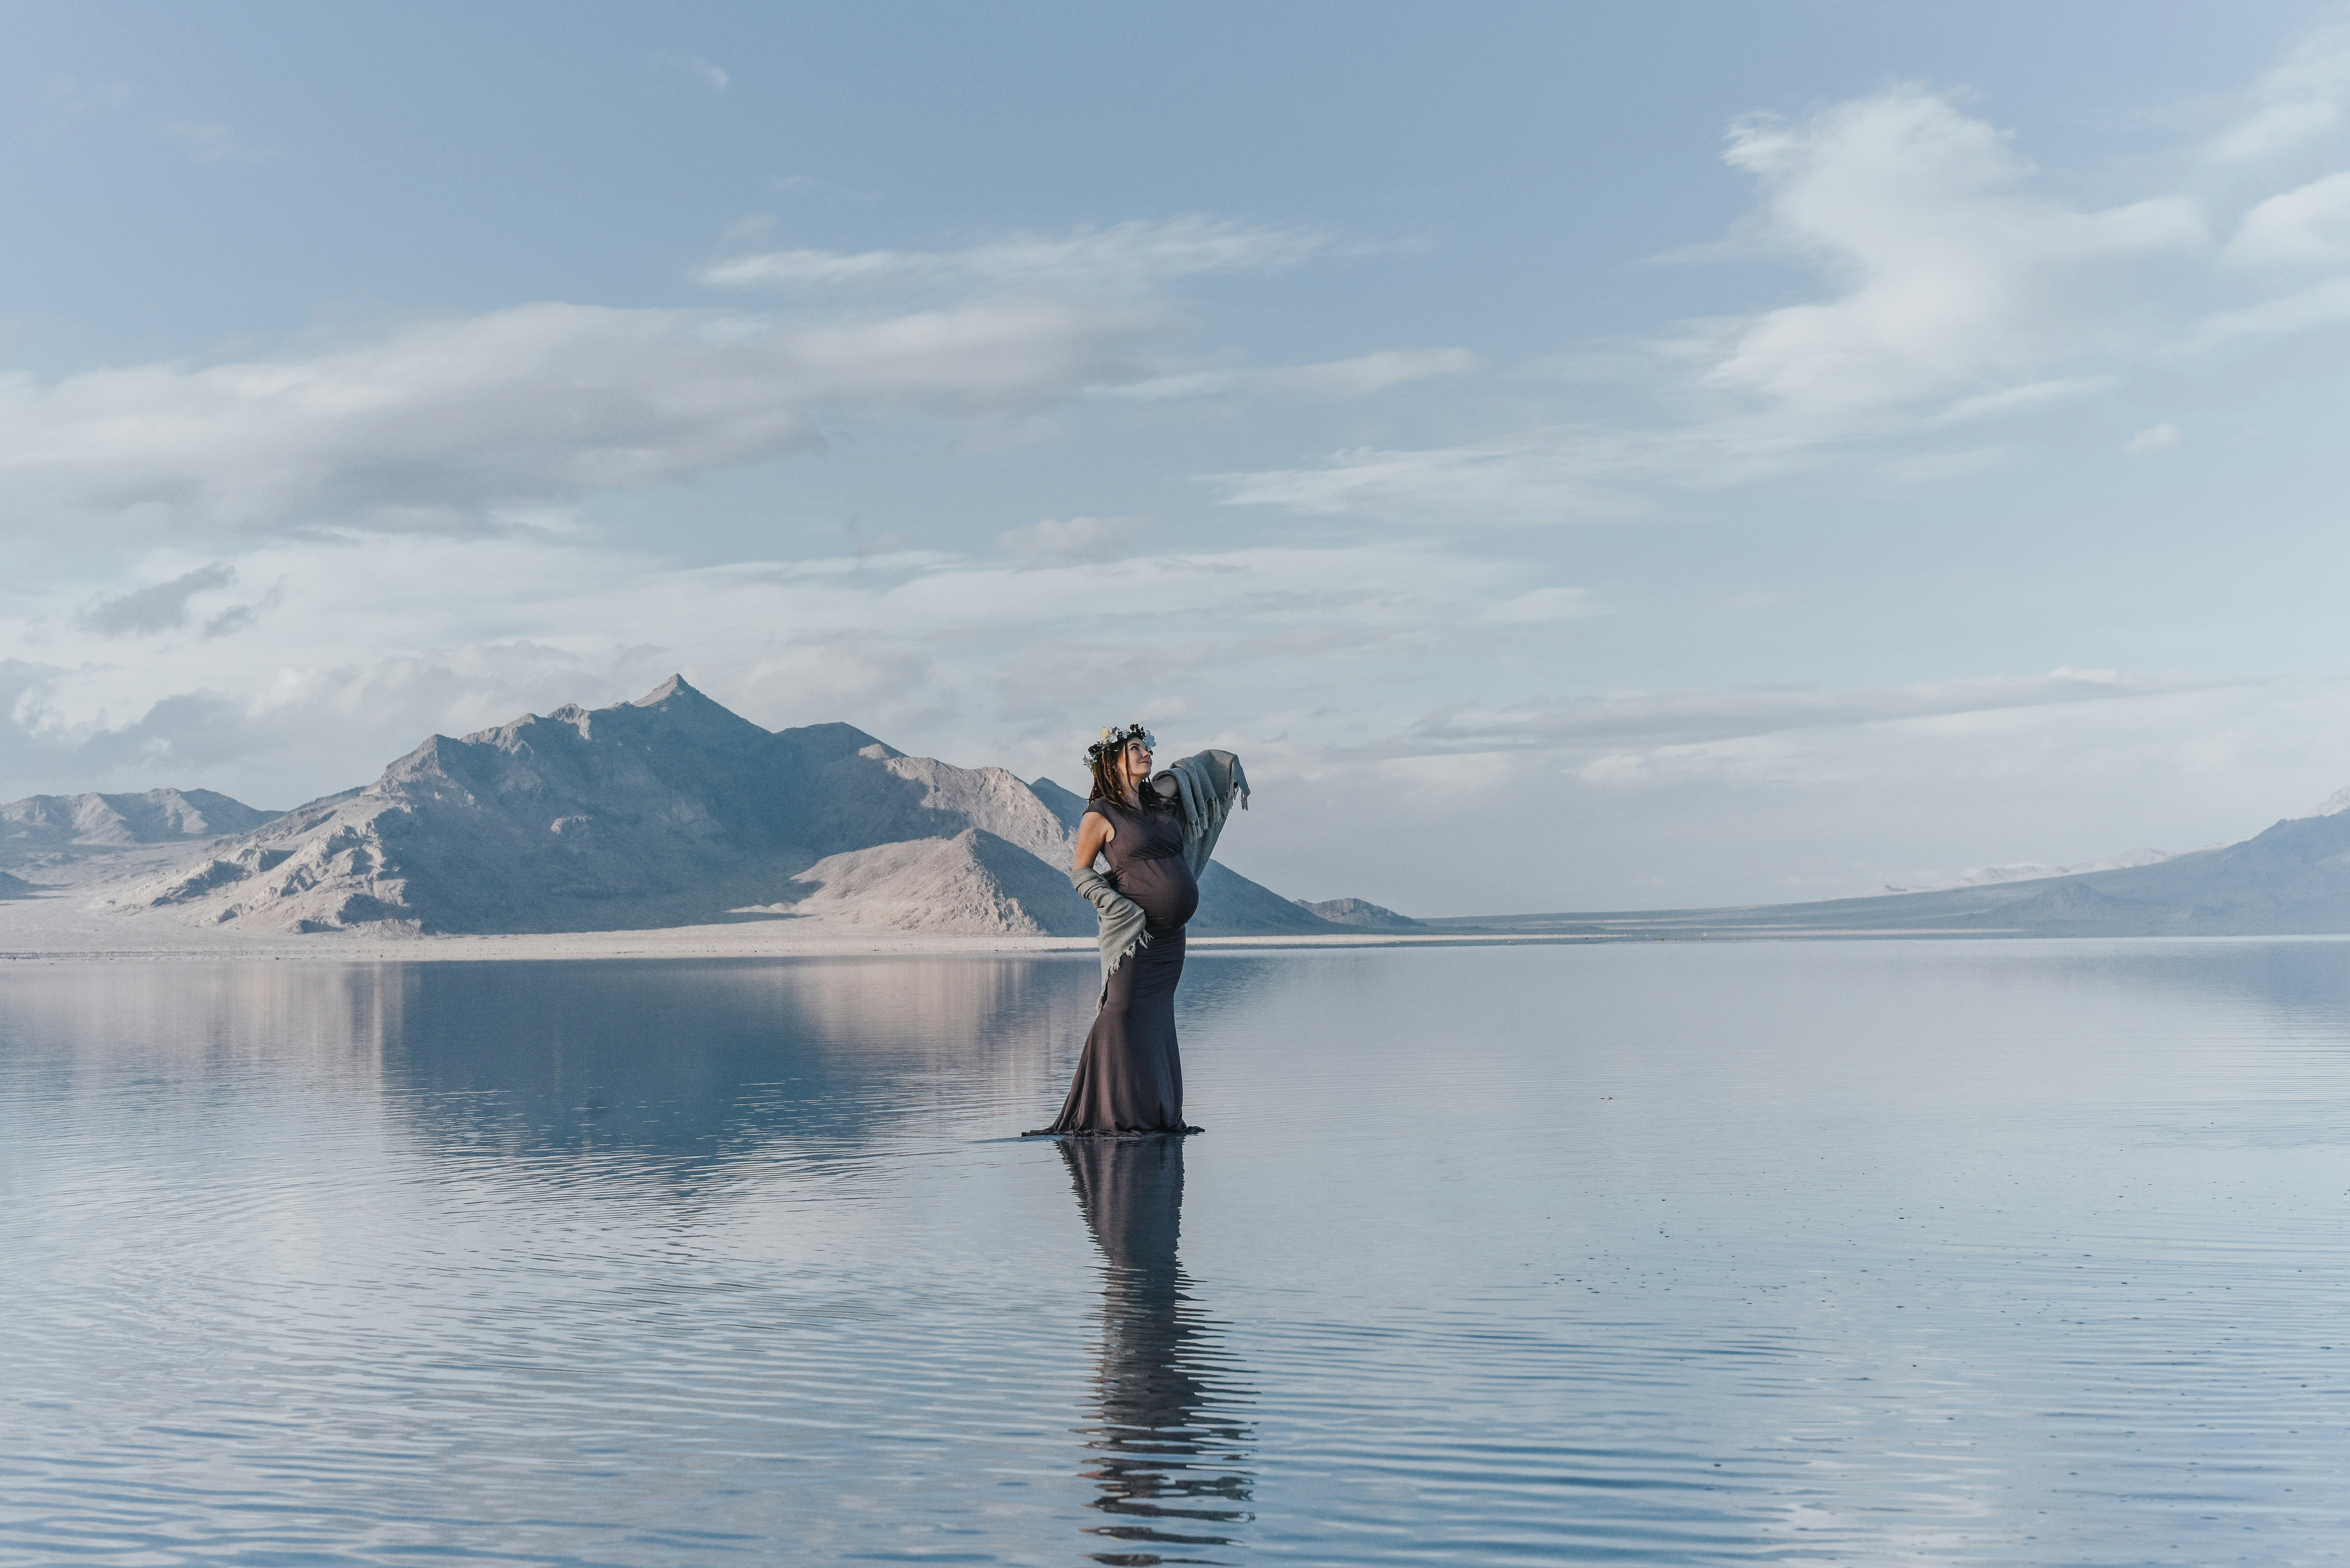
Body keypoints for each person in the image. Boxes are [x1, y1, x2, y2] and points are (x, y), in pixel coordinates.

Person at [1027, 723, 1248, 1136]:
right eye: (1135, 749)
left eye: (1147, 748)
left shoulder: (1158, 805)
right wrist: (1118, 904)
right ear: (1114, 761)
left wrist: (1220, 765)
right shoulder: (1101, 814)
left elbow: (1191, 774)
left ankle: (1156, 1113)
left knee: (1158, 1018)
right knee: (1122, 1012)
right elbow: (1080, 873)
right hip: (1136, 935)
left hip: (1170, 939)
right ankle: (1109, 1112)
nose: (1146, 753)